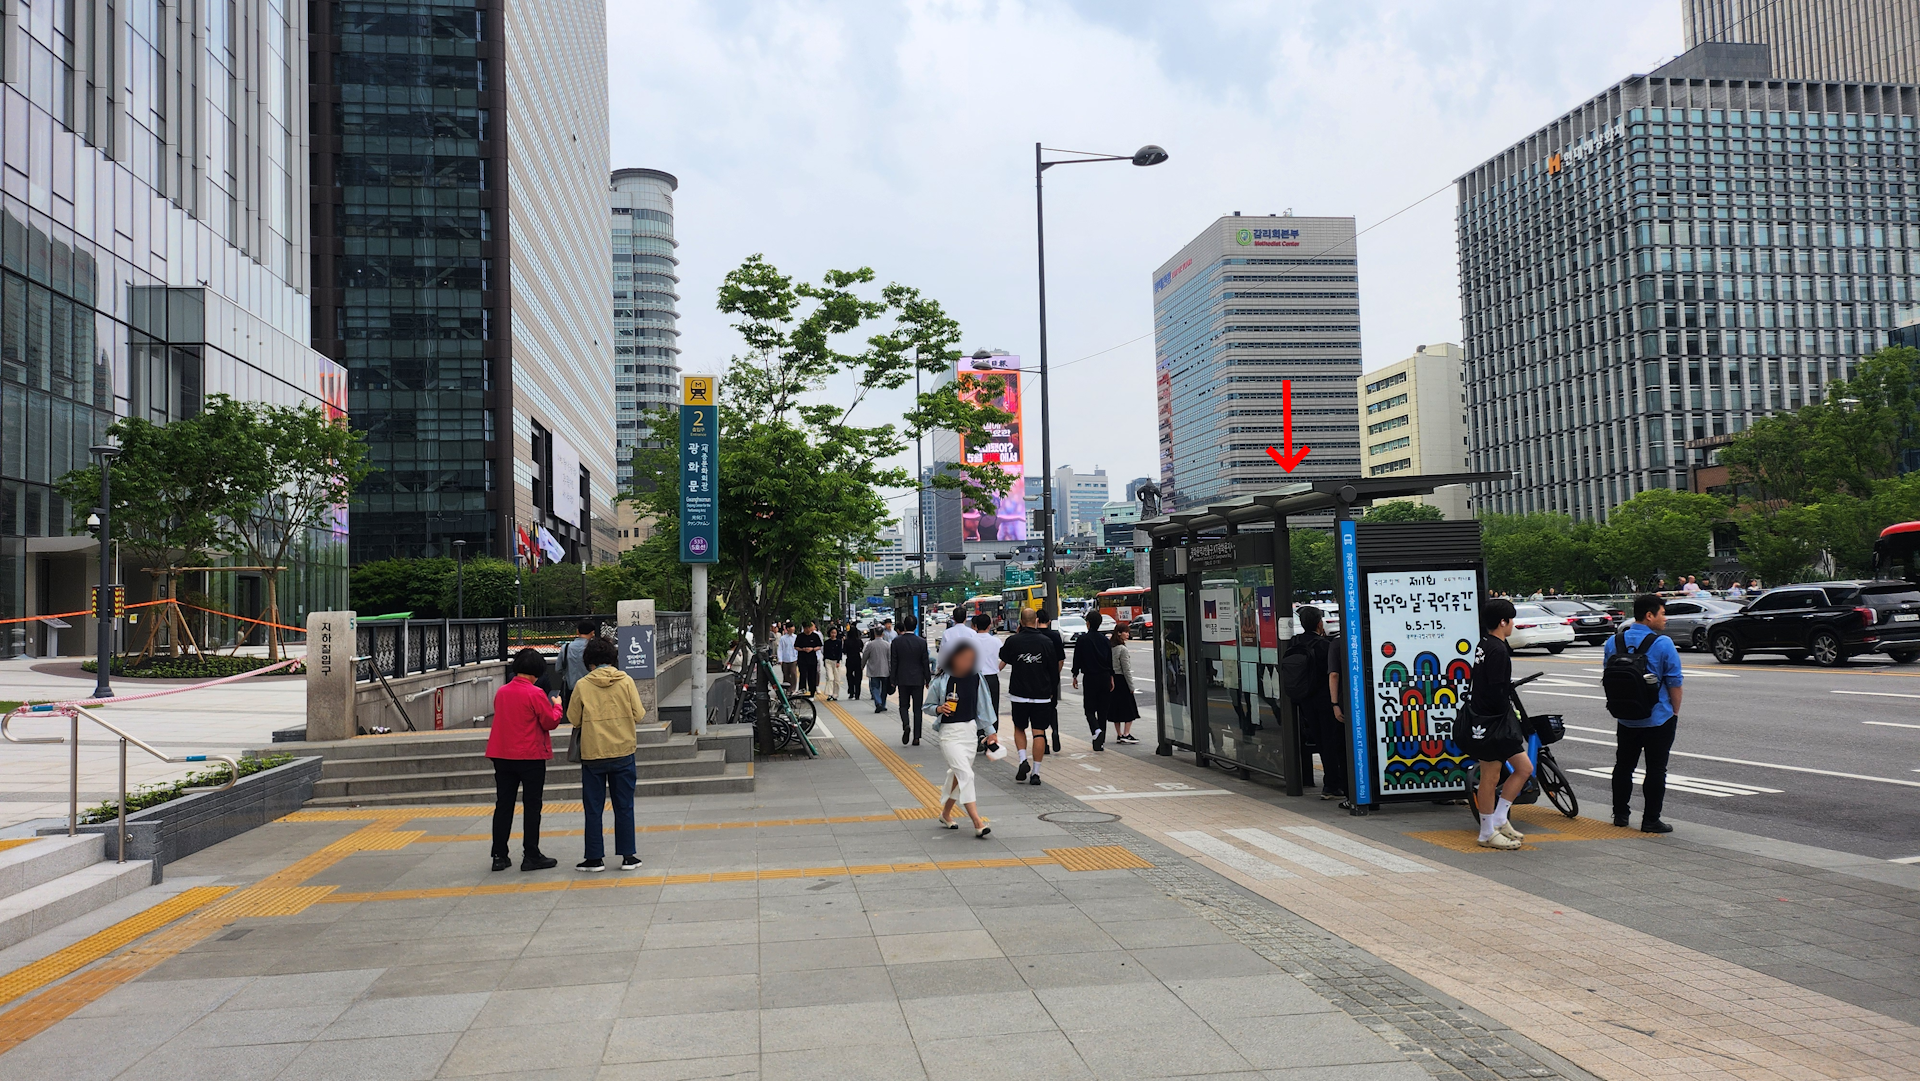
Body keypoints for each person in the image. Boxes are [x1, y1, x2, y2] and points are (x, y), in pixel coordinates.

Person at [1604, 594, 1683, 834]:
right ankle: (1651, 820)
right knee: (1656, 769)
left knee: (1623, 766)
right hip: (1657, 717)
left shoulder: (1613, 641)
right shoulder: (1663, 643)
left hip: (1626, 716)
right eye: (1662, 614)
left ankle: (1620, 815)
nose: (1665, 619)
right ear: (1649, 615)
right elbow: (1674, 682)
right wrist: (1674, 711)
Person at [565, 636, 646, 872]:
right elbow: (639, 714)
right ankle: (628, 856)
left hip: (593, 754)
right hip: (623, 751)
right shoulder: (626, 681)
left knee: (593, 808)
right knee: (624, 806)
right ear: (612, 658)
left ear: (589, 661)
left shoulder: (582, 685)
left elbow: (573, 718)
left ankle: (594, 858)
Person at [485, 648, 564, 872]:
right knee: (532, 805)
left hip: (502, 754)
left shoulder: (502, 692)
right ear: (537, 671)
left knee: (503, 804)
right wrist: (557, 706)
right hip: (530, 755)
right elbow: (549, 722)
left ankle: (499, 855)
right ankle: (531, 854)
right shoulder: (536, 693)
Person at [1464, 598, 1531, 851]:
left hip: (1488, 720)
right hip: (1493, 723)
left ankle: (1500, 819)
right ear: (1503, 622)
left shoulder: (1485, 644)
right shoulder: (1498, 650)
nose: (1513, 624)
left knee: (1523, 768)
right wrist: (1507, 713)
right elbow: (1496, 690)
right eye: (1511, 620)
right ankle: (1486, 832)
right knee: (1490, 778)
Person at [924, 640, 999, 838]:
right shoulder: (941, 680)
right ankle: (977, 822)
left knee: (958, 776)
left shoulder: (976, 678)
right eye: (963, 658)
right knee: (966, 775)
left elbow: (983, 707)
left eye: (971, 659)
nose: (967, 662)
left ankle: (945, 814)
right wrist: (939, 708)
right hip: (949, 734)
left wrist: (990, 732)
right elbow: (927, 706)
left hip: (969, 732)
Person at [1002, 606, 1065, 785]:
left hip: (1019, 693)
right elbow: (1054, 669)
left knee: (1019, 728)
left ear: (1021, 622)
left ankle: (1023, 760)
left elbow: (1004, 657)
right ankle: (1036, 773)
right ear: (1036, 621)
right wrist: (1052, 690)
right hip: (1042, 694)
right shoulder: (1047, 642)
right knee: (1039, 732)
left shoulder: (1013, 641)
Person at [1295, 606, 1349, 799]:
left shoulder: (1295, 642)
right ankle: (1333, 784)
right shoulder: (1325, 645)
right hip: (1326, 700)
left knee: (1319, 740)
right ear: (1320, 623)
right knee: (1331, 742)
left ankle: (1329, 783)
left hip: (1305, 700)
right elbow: (1334, 673)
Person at [1071, 610, 1114, 751]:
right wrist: (1111, 677)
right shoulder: (1105, 640)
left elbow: (1077, 658)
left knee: (1089, 710)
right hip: (1105, 676)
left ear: (1088, 623)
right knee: (1103, 711)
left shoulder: (1083, 639)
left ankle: (1096, 731)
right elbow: (1110, 660)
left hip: (1090, 677)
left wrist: (1075, 674)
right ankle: (1099, 743)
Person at [890, 618, 933, 745]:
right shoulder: (921, 642)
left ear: (904, 626)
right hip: (918, 679)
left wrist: (893, 679)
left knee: (903, 706)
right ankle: (917, 737)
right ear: (915, 626)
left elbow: (894, 662)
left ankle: (906, 724)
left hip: (902, 678)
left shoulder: (896, 641)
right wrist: (927, 679)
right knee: (917, 709)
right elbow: (925, 662)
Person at [554, 618, 598, 712]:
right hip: (591, 690)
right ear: (592, 633)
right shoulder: (594, 648)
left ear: (577, 631)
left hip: (571, 690)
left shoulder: (565, 648)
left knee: (573, 715)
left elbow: (558, 668)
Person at [1107, 624, 1140, 745]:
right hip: (1122, 680)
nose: (1128, 634)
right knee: (1129, 708)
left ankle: (1119, 734)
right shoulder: (1122, 649)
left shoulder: (1110, 647)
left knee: (1116, 708)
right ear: (1119, 633)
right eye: (1126, 632)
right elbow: (1126, 669)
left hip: (1113, 679)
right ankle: (1126, 734)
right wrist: (1131, 686)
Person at [862, 627, 892, 713]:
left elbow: (865, 656)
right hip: (885, 670)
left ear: (875, 634)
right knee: (884, 689)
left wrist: (862, 665)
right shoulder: (887, 645)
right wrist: (891, 669)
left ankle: (878, 702)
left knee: (875, 687)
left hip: (873, 670)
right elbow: (890, 658)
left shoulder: (870, 645)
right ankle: (883, 704)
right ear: (883, 634)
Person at [794, 620, 823, 698]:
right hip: (802, 659)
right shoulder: (800, 636)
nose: (807, 629)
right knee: (803, 675)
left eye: (808, 627)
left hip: (812, 659)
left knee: (812, 676)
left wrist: (812, 649)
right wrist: (802, 649)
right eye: (806, 628)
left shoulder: (815, 636)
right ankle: (802, 691)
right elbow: (796, 647)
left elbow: (819, 646)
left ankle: (812, 693)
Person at [821, 623, 844, 701]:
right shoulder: (826, 642)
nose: (833, 634)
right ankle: (829, 693)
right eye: (832, 633)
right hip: (828, 661)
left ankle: (835, 694)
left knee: (837, 679)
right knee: (830, 678)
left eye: (835, 633)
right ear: (829, 633)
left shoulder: (839, 642)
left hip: (836, 661)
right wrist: (824, 661)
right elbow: (825, 652)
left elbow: (840, 652)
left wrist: (838, 661)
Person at [842, 623, 866, 693]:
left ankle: (851, 690)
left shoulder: (846, 641)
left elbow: (844, 651)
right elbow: (861, 649)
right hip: (857, 659)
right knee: (858, 675)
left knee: (849, 675)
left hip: (849, 659)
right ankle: (857, 692)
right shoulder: (859, 641)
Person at [776, 622, 799, 691]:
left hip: (793, 659)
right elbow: (780, 649)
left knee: (793, 674)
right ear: (788, 629)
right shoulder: (783, 638)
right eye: (792, 627)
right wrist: (780, 659)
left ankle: (793, 689)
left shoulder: (795, 637)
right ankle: (787, 689)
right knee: (786, 675)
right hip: (785, 659)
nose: (793, 628)